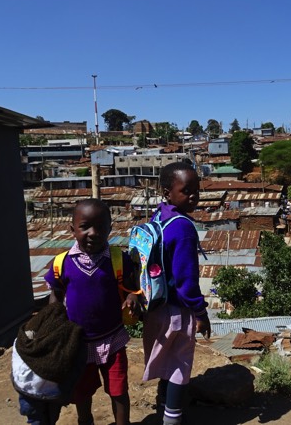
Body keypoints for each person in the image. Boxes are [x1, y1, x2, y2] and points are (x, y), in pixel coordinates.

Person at [44, 198, 140, 425]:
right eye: (85, 226)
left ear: (110, 228)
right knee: (82, 393)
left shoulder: (117, 259)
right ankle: (84, 421)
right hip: (78, 343)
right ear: (72, 230)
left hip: (113, 339)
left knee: (118, 390)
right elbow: (56, 295)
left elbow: (131, 285)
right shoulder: (62, 263)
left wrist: (132, 297)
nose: (93, 233)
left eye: (100, 227)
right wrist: (53, 324)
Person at [142, 161, 211, 425]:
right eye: (186, 190)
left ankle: (163, 409)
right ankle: (172, 419)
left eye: (197, 189)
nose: (194, 195)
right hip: (177, 310)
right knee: (180, 366)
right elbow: (186, 281)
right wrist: (200, 312)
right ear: (167, 192)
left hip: (155, 307)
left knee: (165, 360)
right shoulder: (183, 227)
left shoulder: (159, 216)